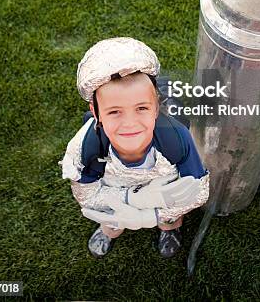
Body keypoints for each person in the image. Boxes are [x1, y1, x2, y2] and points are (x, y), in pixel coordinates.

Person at [59, 37, 210, 259]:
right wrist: (131, 199)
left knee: (171, 213)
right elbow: (87, 196)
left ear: (157, 107)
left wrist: (156, 215)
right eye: (114, 111)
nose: (130, 123)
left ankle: (169, 228)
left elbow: (197, 190)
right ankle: (110, 230)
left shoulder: (176, 138)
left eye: (141, 108)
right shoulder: (86, 145)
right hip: (114, 187)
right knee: (109, 217)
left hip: (163, 190)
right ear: (96, 112)